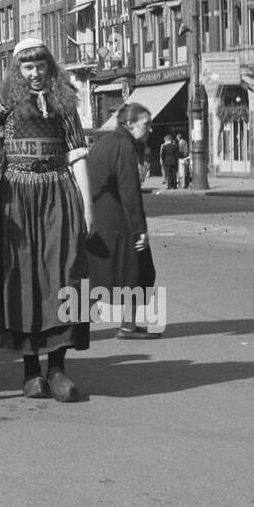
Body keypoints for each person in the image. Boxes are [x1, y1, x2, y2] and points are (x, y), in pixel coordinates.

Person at [0, 39, 94, 402]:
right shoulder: (3, 102)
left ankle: (58, 369)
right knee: (23, 278)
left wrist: (87, 207)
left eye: (40, 66)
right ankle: (31, 371)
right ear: (18, 69)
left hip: (57, 193)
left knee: (63, 276)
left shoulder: (63, 103)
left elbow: (77, 154)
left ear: (50, 68)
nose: (34, 73)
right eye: (27, 67)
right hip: (16, 196)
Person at [84, 103, 155, 338]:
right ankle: (128, 326)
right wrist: (139, 229)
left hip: (99, 217)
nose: (150, 129)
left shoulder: (106, 142)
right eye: (146, 123)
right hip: (117, 219)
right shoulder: (125, 146)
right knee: (137, 270)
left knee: (101, 273)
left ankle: (76, 325)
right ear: (130, 123)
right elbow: (129, 190)